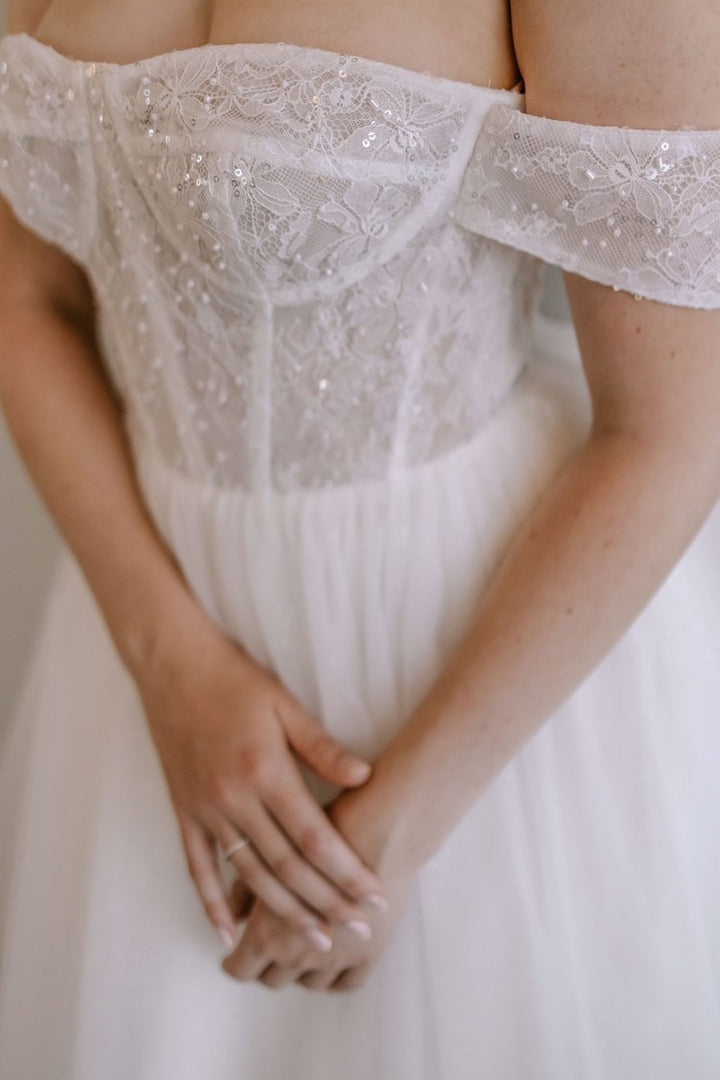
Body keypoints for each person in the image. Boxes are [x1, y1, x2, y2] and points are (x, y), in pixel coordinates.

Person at [1, 0, 720, 1076]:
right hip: (140, 636)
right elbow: (25, 294)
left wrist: (378, 845)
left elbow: (671, 432)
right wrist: (165, 658)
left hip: (466, 690)